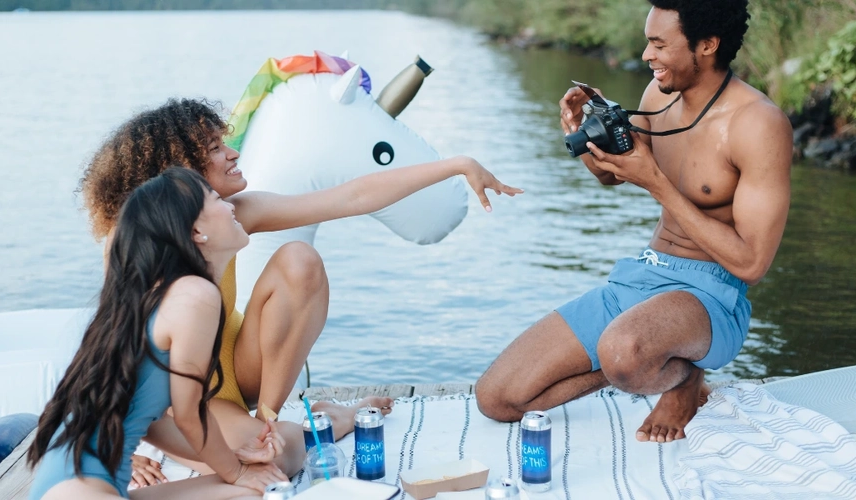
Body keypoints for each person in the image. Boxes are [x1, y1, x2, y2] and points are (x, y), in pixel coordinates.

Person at [79, 99, 522, 484]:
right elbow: (107, 349)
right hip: (183, 403)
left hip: (235, 366)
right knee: (274, 461)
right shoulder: (131, 247)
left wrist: (457, 165)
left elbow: (352, 197)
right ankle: (337, 419)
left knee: (299, 260)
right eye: (215, 149)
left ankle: (269, 418)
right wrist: (123, 444)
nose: (233, 153)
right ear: (179, 170)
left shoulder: (235, 212)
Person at [475, 0, 792, 444]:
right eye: (648, 42)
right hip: (643, 275)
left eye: (659, 44)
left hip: (711, 296)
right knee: (497, 398)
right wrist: (581, 138)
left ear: (706, 45)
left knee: (622, 351)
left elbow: (752, 264)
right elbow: (613, 174)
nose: (647, 55)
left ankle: (684, 378)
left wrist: (659, 185)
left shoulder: (758, 124)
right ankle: (652, 364)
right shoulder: (657, 95)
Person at [28, 168, 288, 499]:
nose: (232, 207)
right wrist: (235, 471)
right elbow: (189, 415)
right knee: (256, 485)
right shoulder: (195, 295)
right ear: (196, 230)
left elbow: (153, 423)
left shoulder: (159, 296)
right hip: (83, 490)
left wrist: (236, 462)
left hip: (69, 482)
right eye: (217, 199)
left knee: (264, 482)